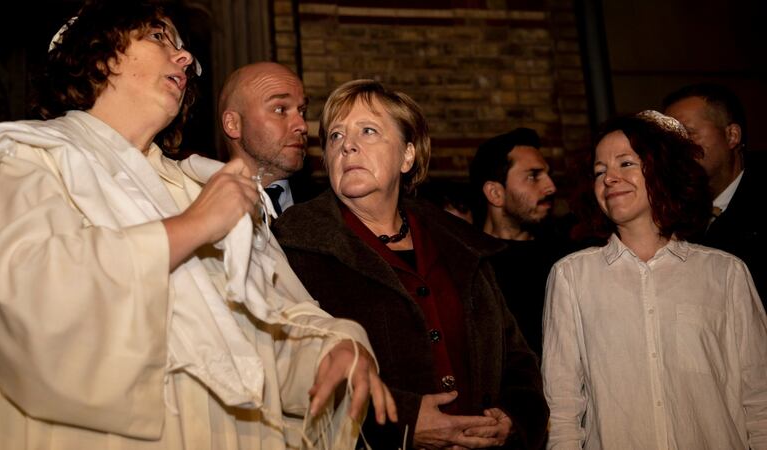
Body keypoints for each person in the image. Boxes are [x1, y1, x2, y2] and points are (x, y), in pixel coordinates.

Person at [0, 2, 396, 449]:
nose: (185, 58)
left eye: (184, 47)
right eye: (158, 37)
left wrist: (334, 348)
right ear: (101, 56)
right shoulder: (21, 158)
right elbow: (25, 292)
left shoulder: (198, 185)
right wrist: (190, 227)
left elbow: (271, 329)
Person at [273, 79, 548, 449]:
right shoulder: (295, 248)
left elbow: (517, 358)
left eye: (368, 131)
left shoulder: (460, 245)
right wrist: (400, 424)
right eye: (335, 137)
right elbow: (290, 370)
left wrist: (513, 418)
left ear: (407, 155)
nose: (347, 145)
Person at [542, 111, 767, 449]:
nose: (609, 178)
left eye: (626, 164)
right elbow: (563, 410)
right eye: (599, 171)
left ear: (663, 170)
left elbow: (760, 397)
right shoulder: (572, 277)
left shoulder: (726, 274)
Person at [469, 128, 572, 358]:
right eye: (533, 176)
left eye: (548, 174)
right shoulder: (468, 264)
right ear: (495, 193)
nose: (550, 187)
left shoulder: (565, 259)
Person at [663, 83, 765, 302]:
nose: (676, 149)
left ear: (732, 136)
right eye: (669, 141)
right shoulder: (671, 213)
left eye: (688, 134)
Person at [217, 61, 321, 216]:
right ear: (233, 124)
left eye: (302, 111)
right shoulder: (196, 209)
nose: (302, 125)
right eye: (280, 109)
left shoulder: (330, 210)